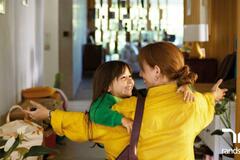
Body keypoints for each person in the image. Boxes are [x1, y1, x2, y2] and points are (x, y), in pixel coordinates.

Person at [25, 42, 226, 159]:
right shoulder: (194, 103)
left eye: (143, 69)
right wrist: (214, 96)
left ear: (156, 72)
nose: (140, 74)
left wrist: (49, 115)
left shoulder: (127, 110)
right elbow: (207, 104)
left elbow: (87, 125)